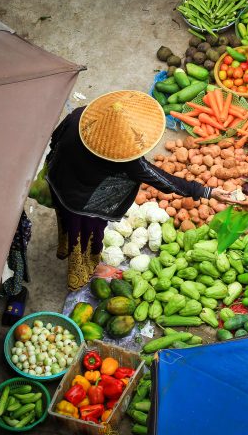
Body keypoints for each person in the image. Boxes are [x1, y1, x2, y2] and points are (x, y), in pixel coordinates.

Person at [44, 90, 227, 290]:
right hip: (81, 201)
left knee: (66, 220)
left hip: (57, 177)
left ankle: (64, 246)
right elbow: (163, 181)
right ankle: (86, 270)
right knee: (86, 237)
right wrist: (205, 192)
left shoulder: (80, 116)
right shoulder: (124, 160)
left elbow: (54, 140)